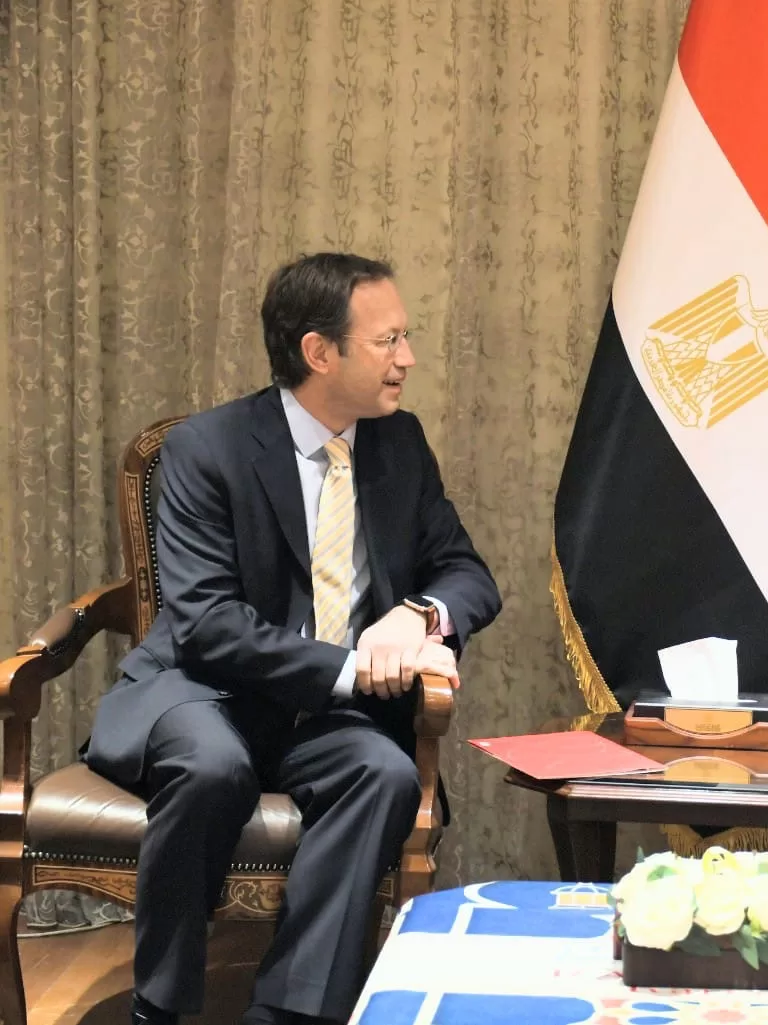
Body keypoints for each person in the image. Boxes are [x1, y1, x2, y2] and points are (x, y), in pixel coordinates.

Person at [84, 253, 502, 1025]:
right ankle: (160, 1006)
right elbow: (207, 624)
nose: (408, 357)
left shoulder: (399, 443)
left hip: (323, 719)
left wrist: (418, 614)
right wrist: (354, 668)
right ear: (319, 352)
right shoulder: (209, 448)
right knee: (212, 766)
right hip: (207, 691)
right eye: (388, 340)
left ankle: (289, 1011)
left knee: (385, 772)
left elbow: (467, 573)